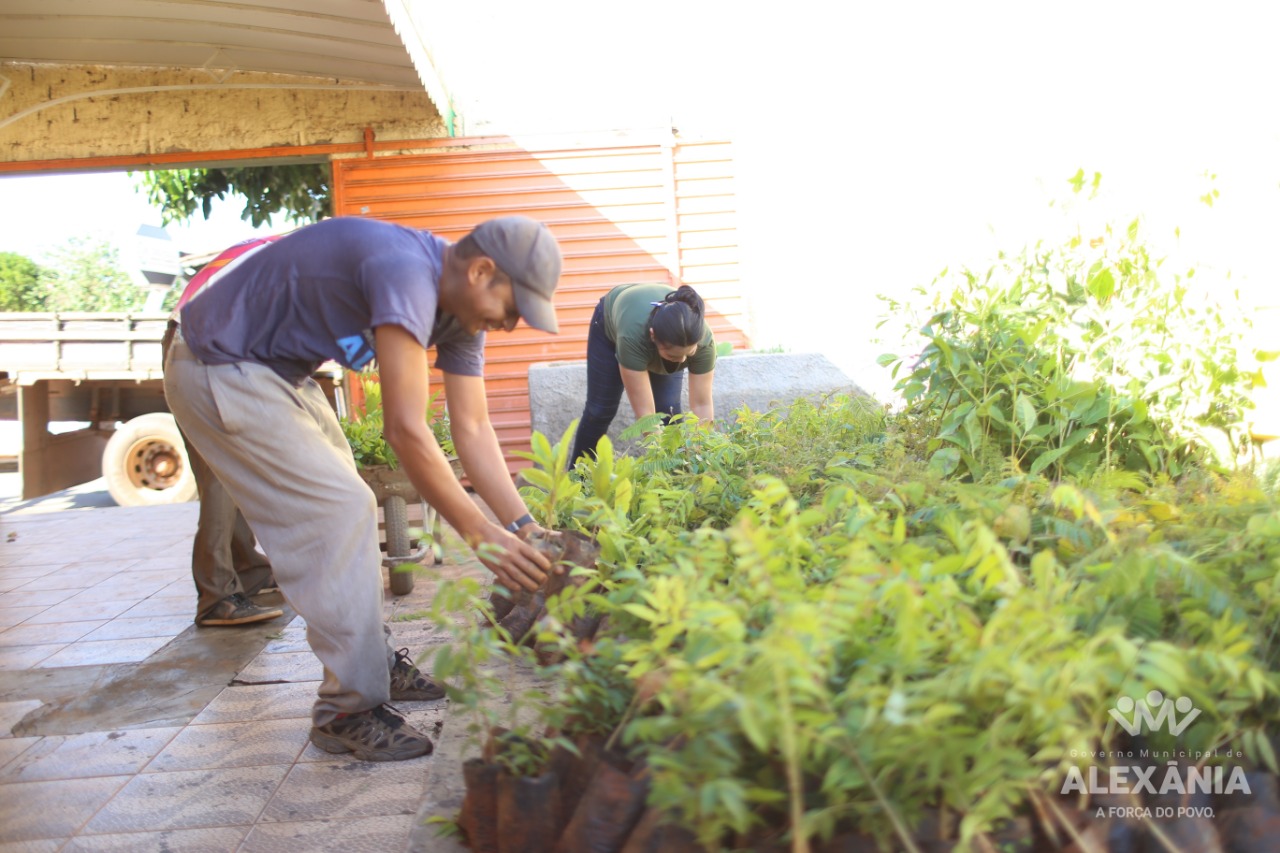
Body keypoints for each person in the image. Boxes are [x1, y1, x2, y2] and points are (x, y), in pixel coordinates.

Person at [163, 215, 563, 762]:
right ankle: (346, 710)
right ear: (482, 271)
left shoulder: (461, 314)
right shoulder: (405, 271)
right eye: (513, 308)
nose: (511, 325)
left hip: (277, 372)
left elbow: (472, 428)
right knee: (339, 510)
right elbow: (405, 428)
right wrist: (479, 533)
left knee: (346, 495)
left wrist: (523, 527)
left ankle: (371, 665)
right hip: (217, 362)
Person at [162, 237, 286, 628]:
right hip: (200, 345)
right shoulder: (295, 263)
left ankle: (249, 569)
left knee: (234, 467)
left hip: (202, 339)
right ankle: (216, 597)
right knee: (219, 472)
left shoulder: (285, 250)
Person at [569, 283, 717, 465]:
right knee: (599, 411)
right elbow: (646, 415)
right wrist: (661, 462)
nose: (681, 361)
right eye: (673, 356)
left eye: (689, 353)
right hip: (613, 321)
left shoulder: (703, 342)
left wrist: (704, 455)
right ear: (653, 336)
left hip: (667, 332)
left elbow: (702, 405)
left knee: (668, 411)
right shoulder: (633, 338)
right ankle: (576, 480)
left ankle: (680, 474)